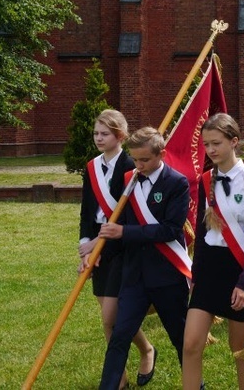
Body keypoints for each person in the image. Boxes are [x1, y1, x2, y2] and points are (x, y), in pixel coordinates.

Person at [97, 127, 190, 390]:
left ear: (161, 154)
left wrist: (124, 232)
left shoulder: (177, 183)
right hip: (134, 275)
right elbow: (120, 224)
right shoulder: (129, 179)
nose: (139, 165)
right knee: (119, 336)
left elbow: (171, 228)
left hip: (167, 274)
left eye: (145, 160)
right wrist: (100, 256)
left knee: (180, 338)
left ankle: (196, 385)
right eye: (135, 159)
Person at [183, 113, 244, 390]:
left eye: (216, 143)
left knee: (239, 350)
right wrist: (195, 274)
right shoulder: (205, 180)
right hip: (209, 269)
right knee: (191, 345)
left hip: (240, 270)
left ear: (234, 141)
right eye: (206, 144)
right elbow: (201, 230)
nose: (210, 150)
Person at [78, 110, 156, 389]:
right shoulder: (91, 167)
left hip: (123, 247)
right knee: (110, 319)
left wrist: (100, 243)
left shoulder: (132, 166)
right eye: (96, 133)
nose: (99, 138)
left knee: (113, 317)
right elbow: (87, 211)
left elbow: (134, 215)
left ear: (120, 137)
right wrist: (86, 247)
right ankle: (125, 367)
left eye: (105, 134)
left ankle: (135, 360)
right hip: (98, 248)